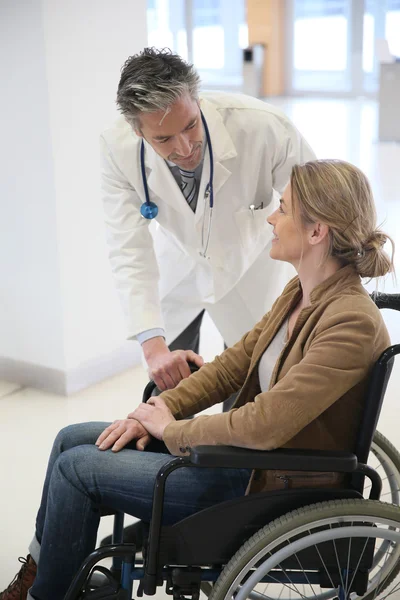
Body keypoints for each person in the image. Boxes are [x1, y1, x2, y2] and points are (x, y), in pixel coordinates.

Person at [1, 159, 394, 600]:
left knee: (77, 469)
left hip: (265, 483)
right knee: (69, 439)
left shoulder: (351, 323)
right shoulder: (299, 292)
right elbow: (235, 363)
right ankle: (40, 574)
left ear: (317, 231)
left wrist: (171, 432)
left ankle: (47, 595)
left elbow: (265, 423)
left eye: (282, 208)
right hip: (245, 462)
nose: (271, 217)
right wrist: (162, 408)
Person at [100, 46, 315, 547]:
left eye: (191, 126)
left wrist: (314, 300)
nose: (184, 148)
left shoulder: (263, 128)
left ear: (197, 98)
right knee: (163, 401)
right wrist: (153, 343)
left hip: (254, 271)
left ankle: (230, 518)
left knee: (250, 398)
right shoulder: (115, 149)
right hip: (178, 275)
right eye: (163, 139)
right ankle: (166, 514)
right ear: (137, 131)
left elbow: (319, 212)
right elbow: (127, 247)